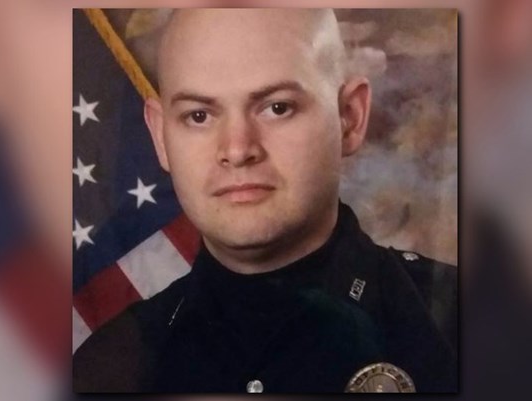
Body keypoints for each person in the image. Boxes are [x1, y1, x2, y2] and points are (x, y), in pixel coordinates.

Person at [73, 9, 457, 393]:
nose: (237, 150)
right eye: (199, 116)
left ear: (349, 117)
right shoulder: (107, 370)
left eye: (277, 108)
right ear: (160, 136)